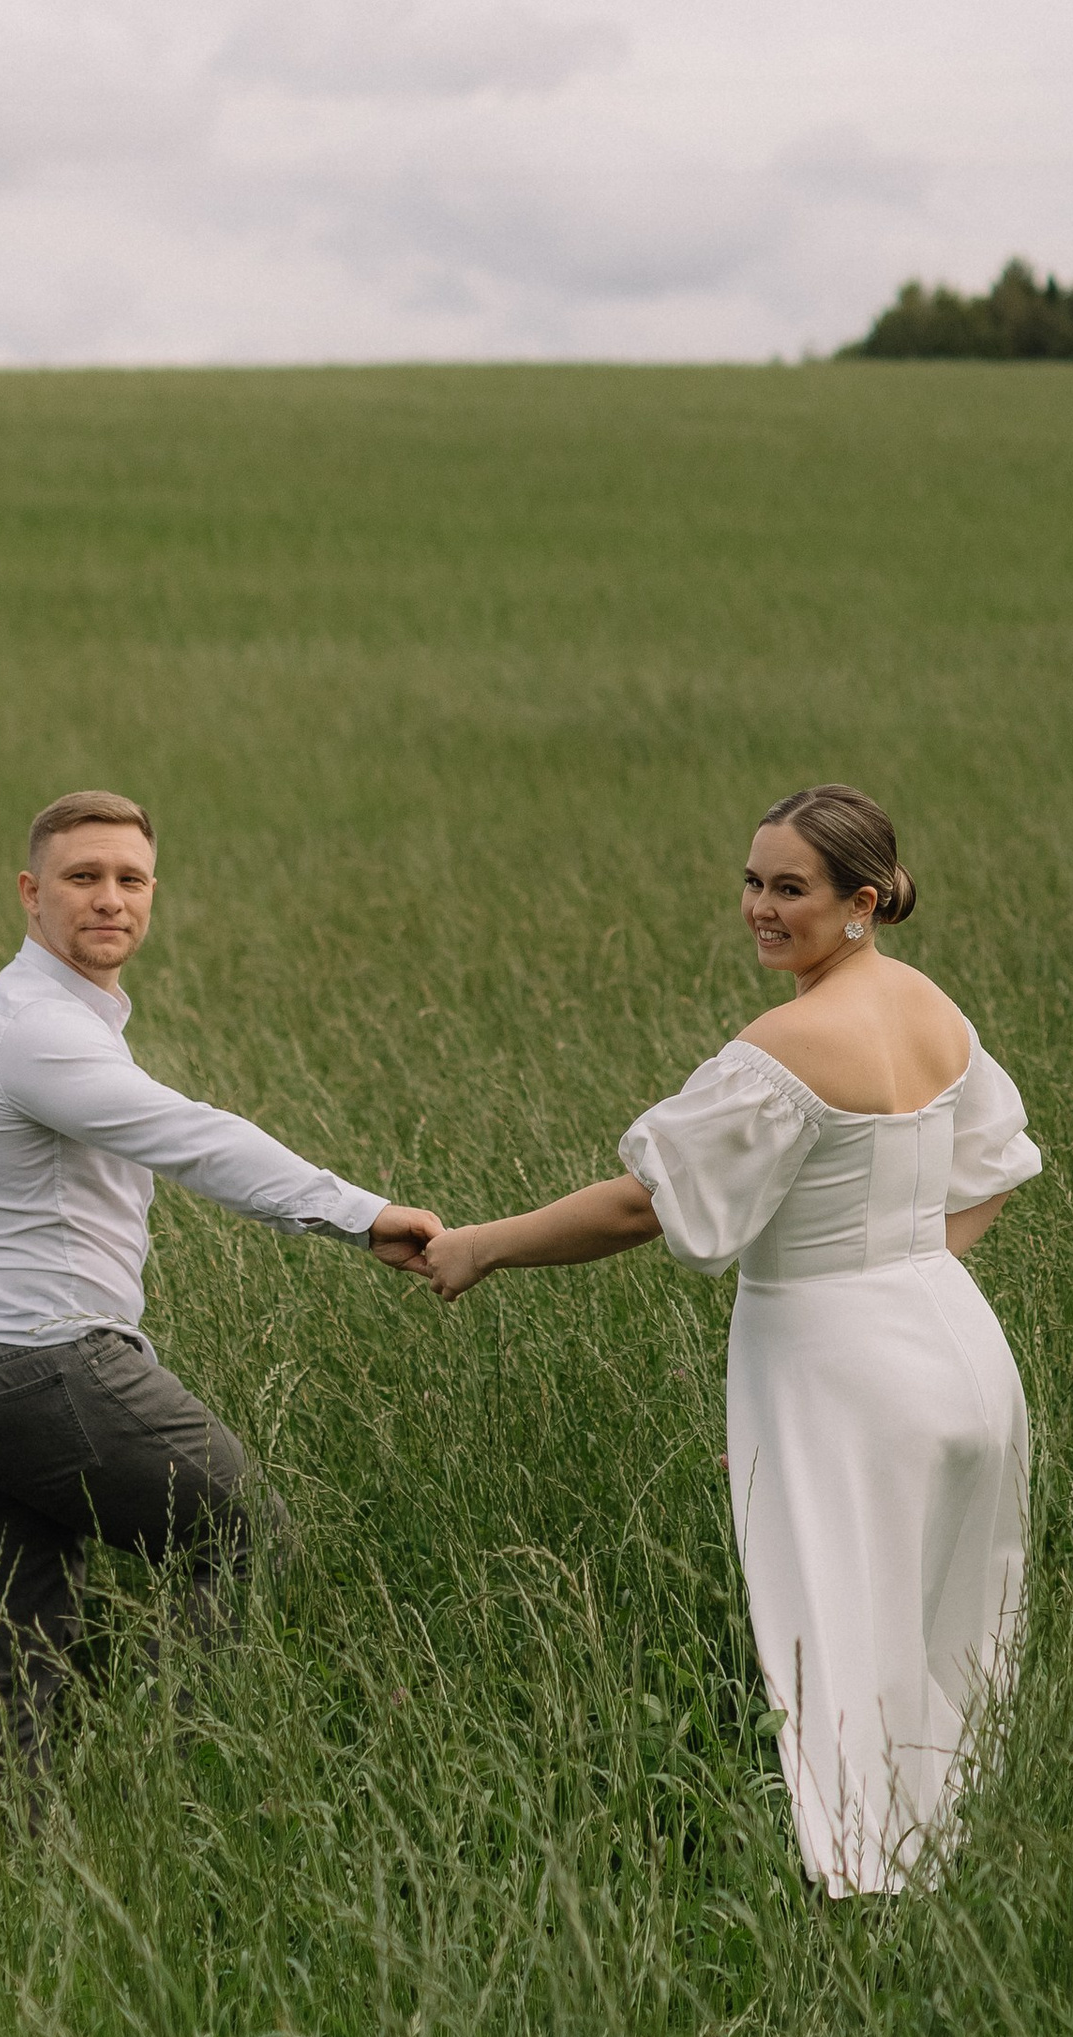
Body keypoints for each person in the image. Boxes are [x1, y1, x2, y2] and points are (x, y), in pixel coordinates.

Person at [421, 786, 1040, 1895]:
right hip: (958, 1346)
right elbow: (994, 1168)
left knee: (839, 1635)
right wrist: (907, 1272)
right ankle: (958, 1863)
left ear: (862, 902)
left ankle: (869, 1893)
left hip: (841, 1368)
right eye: (752, 882)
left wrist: (481, 1247)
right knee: (952, 1625)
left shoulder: (787, 1045)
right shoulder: (931, 1009)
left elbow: (642, 1205)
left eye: (790, 888)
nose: (760, 907)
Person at [0, 791, 439, 1765]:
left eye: (131, 879)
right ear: (30, 893)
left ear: (152, 893)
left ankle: (20, 1837)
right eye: (82, 877)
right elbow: (194, 1137)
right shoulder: (40, 1029)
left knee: (20, 1674)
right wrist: (362, 1216)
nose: (110, 899)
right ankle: (153, 1770)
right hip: (41, 1369)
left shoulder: (42, 1010)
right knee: (253, 1542)